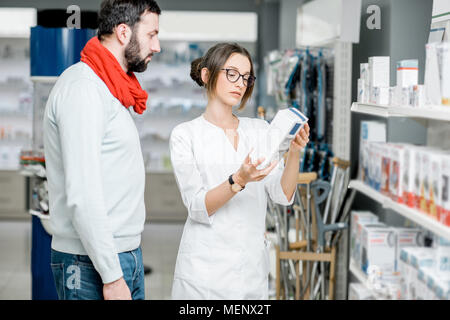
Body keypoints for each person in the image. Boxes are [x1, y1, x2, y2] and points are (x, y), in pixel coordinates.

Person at [170, 43, 310, 299]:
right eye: (231, 73)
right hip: (203, 277)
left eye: (246, 77)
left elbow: (282, 194)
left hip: (249, 274)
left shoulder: (258, 130)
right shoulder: (185, 135)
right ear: (207, 75)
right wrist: (239, 180)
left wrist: (295, 152)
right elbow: (198, 207)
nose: (240, 83)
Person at [43, 0, 161, 300]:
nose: (157, 45)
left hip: (123, 252)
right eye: (152, 34)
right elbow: (82, 194)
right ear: (124, 32)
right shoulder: (83, 88)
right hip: (90, 262)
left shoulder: (112, 87)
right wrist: (111, 275)